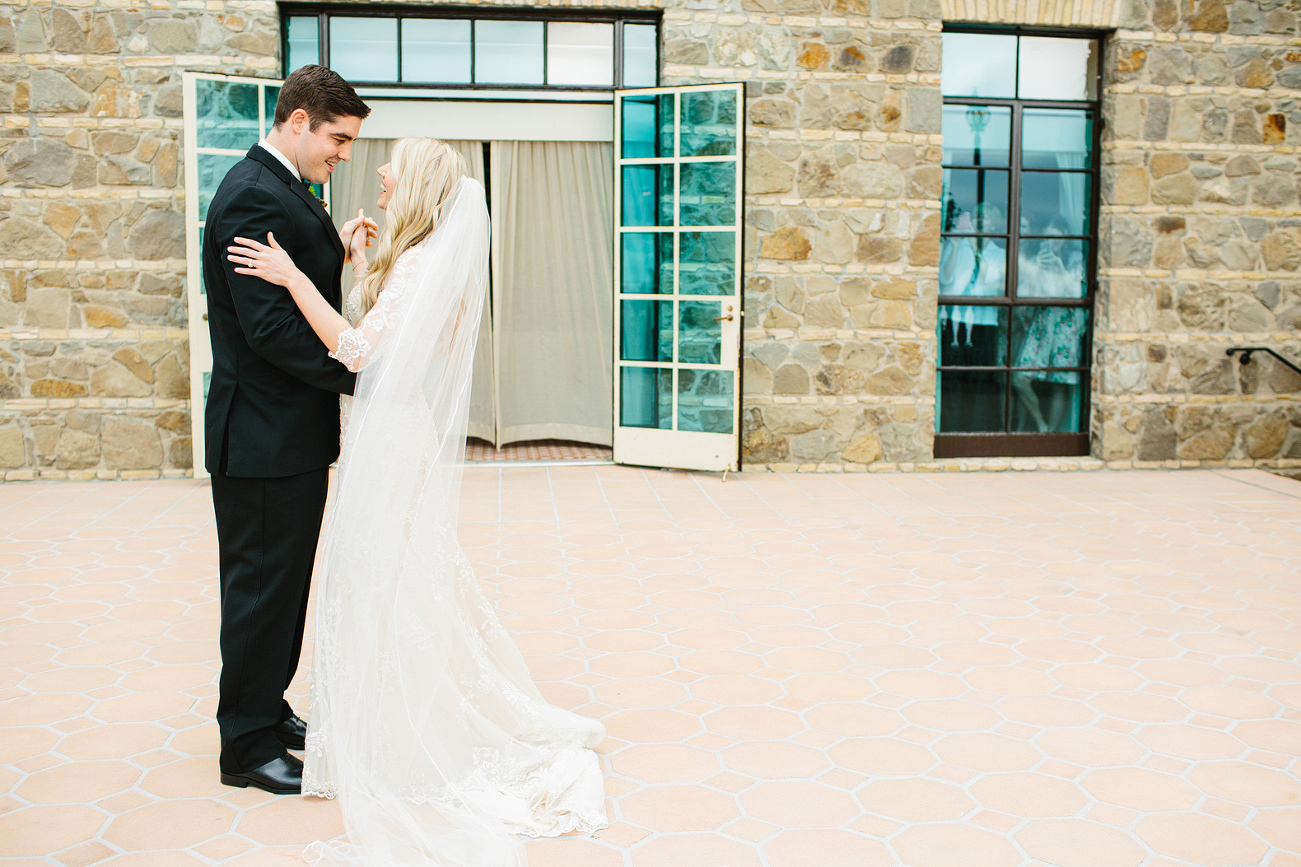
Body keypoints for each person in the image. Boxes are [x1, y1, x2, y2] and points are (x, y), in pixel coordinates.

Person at [226, 138, 608, 865]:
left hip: (389, 440)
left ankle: (391, 733)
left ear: (418, 181)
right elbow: (395, 337)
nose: (379, 170)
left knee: (381, 577)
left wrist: (291, 278)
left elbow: (362, 352)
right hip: (397, 430)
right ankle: (382, 718)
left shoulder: (422, 262)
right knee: (393, 575)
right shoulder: (423, 259)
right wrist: (356, 268)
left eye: (390, 163)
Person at [202, 64, 375, 796]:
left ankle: (265, 709)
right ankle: (243, 743)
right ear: (297, 120)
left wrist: (335, 251)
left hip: (286, 438)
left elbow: (294, 289)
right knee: (260, 588)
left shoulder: (281, 188)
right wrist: (365, 374)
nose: (343, 154)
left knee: (281, 586)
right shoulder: (249, 194)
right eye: (337, 139)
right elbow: (268, 329)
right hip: (262, 439)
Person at [1011, 217, 1087, 431]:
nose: (1052, 241)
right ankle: (1041, 424)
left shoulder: (1076, 260)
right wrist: (1035, 269)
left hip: (1066, 325)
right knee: (1020, 379)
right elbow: (1025, 296)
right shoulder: (1038, 260)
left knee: (1059, 383)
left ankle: (1051, 434)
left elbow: (1077, 294)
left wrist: (1061, 268)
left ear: (1065, 235)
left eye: (1057, 236)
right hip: (1043, 324)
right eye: (1048, 237)